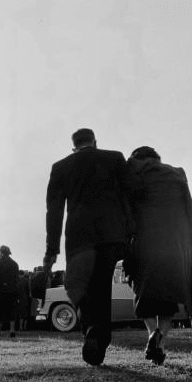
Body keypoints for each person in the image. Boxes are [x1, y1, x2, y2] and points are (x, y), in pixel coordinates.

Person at [44, 128, 132, 365]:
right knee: (103, 288)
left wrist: (51, 249)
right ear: (95, 142)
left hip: (79, 238)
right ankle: (100, 340)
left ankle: (92, 327)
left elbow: (54, 210)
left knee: (77, 287)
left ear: (73, 147)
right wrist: (129, 231)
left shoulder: (61, 167)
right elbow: (128, 194)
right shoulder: (114, 158)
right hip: (112, 235)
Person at [125, 146, 192, 365]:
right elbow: (190, 206)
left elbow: (127, 209)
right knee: (168, 298)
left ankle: (153, 333)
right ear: (158, 158)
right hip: (175, 243)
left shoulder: (134, 176)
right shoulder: (176, 173)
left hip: (144, 242)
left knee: (144, 294)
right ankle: (160, 344)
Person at [0, 246, 19, 338]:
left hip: (0, 290)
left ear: (1, 252)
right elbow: (16, 280)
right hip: (11, 291)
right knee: (11, 311)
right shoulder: (15, 264)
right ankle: (12, 331)